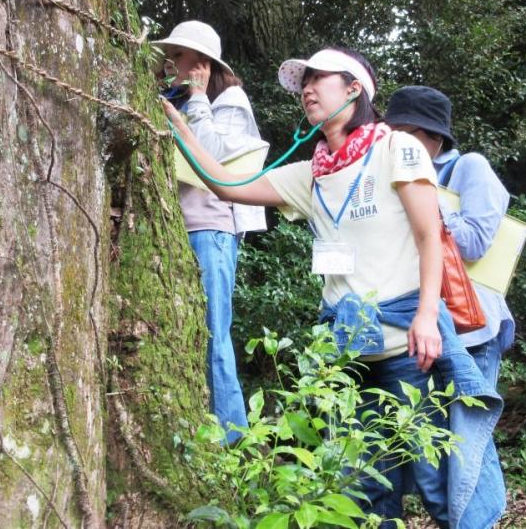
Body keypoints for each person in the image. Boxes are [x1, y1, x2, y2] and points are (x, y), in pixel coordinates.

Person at [162, 48, 504, 528]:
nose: (306, 88)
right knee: (363, 490)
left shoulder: (396, 149)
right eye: (303, 81)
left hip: (409, 346)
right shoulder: (312, 174)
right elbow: (225, 184)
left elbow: (431, 237)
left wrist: (428, 315)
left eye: (319, 78)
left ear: (354, 89)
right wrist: (175, 118)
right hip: (348, 357)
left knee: (437, 482)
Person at [151, 20, 267, 443]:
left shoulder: (230, 99)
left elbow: (215, 159)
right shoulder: (176, 99)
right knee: (189, 330)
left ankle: (231, 440)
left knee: (214, 333)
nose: (169, 65)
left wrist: (199, 100)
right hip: (181, 226)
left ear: (200, 64)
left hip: (213, 230)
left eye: (176, 57)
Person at [383, 85, 515, 389]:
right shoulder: (392, 174)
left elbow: (474, 244)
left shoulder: (470, 166)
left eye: (403, 133)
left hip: (473, 328)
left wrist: (428, 195)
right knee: (440, 434)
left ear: (435, 137)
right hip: (424, 326)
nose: (392, 142)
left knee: (471, 430)